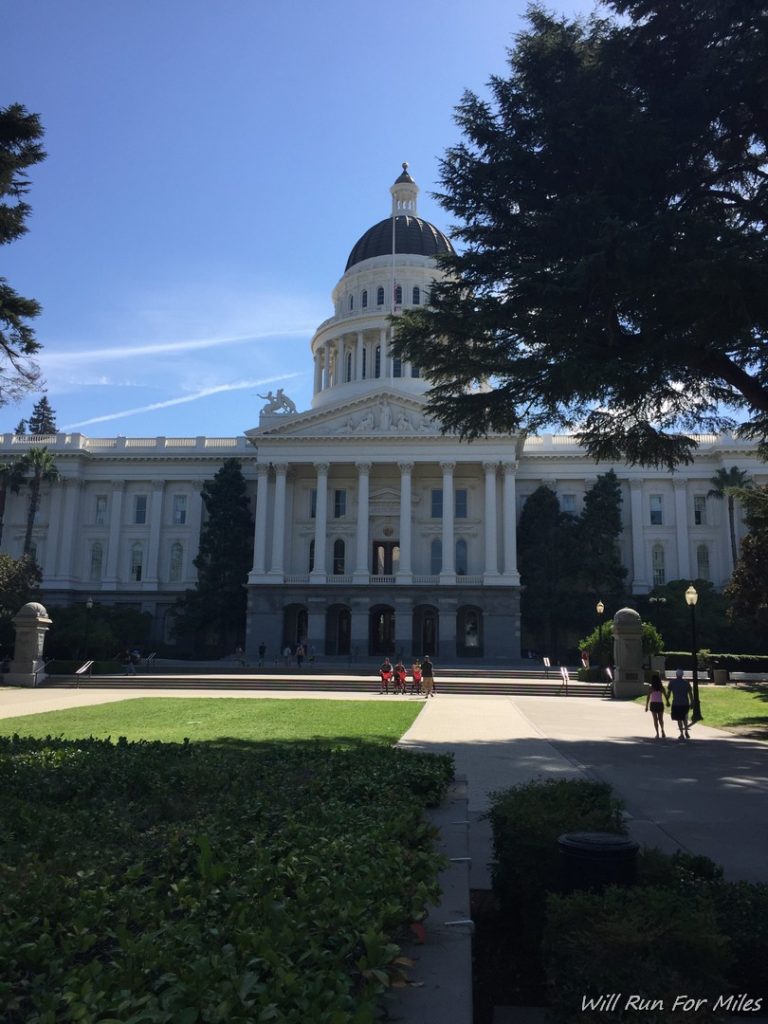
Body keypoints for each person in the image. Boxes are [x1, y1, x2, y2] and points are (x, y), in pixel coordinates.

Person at [668, 668, 693, 740]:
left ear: (676, 674)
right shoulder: (686, 683)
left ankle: (681, 733)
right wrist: (692, 702)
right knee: (685, 718)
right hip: (685, 703)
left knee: (679, 719)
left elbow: (669, 692)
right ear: (682, 675)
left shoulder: (672, 682)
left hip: (676, 703)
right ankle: (686, 731)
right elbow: (690, 694)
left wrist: (667, 700)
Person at [645, 671, 670, 739]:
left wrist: (646, 706)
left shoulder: (651, 688)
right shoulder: (661, 688)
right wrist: (667, 702)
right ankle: (662, 730)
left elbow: (648, 697)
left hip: (653, 704)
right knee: (661, 719)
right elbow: (665, 696)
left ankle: (657, 733)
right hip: (660, 704)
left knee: (655, 719)